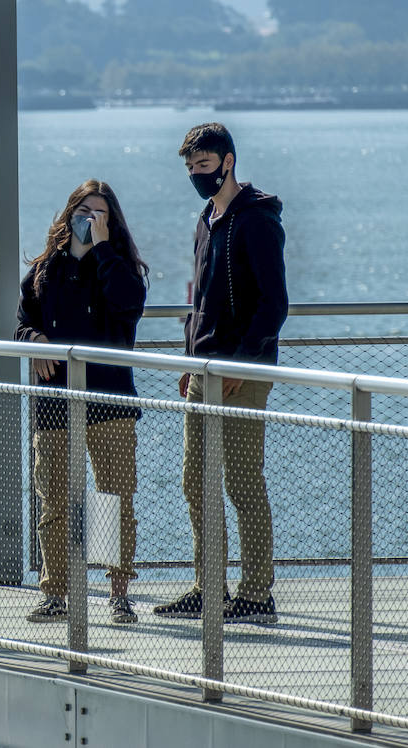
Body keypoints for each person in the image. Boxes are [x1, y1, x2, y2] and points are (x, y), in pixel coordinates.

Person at [154, 123, 287, 625]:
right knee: (196, 481)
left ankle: (256, 594)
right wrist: (190, 361)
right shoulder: (206, 219)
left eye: (203, 166)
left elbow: (274, 303)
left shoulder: (257, 220)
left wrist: (243, 363)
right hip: (204, 370)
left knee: (242, 482)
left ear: (228, 162)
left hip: (243, 371)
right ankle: (209, 587)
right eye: (190, 168)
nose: (196, 175)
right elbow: (199, 298)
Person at [17, 180, 148, 625]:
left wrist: (103, 250)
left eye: (100, 214)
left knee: (112, 501)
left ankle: (118, 594)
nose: (89, 220)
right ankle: (56, 593)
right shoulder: (44, 269)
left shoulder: (119, 265)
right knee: (55, 503)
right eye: (82, 211)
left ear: (112, 222)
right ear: (67, 213)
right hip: (55, 402)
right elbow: (21, 324)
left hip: (109, 401)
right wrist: (34, 341)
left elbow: (129, 305)